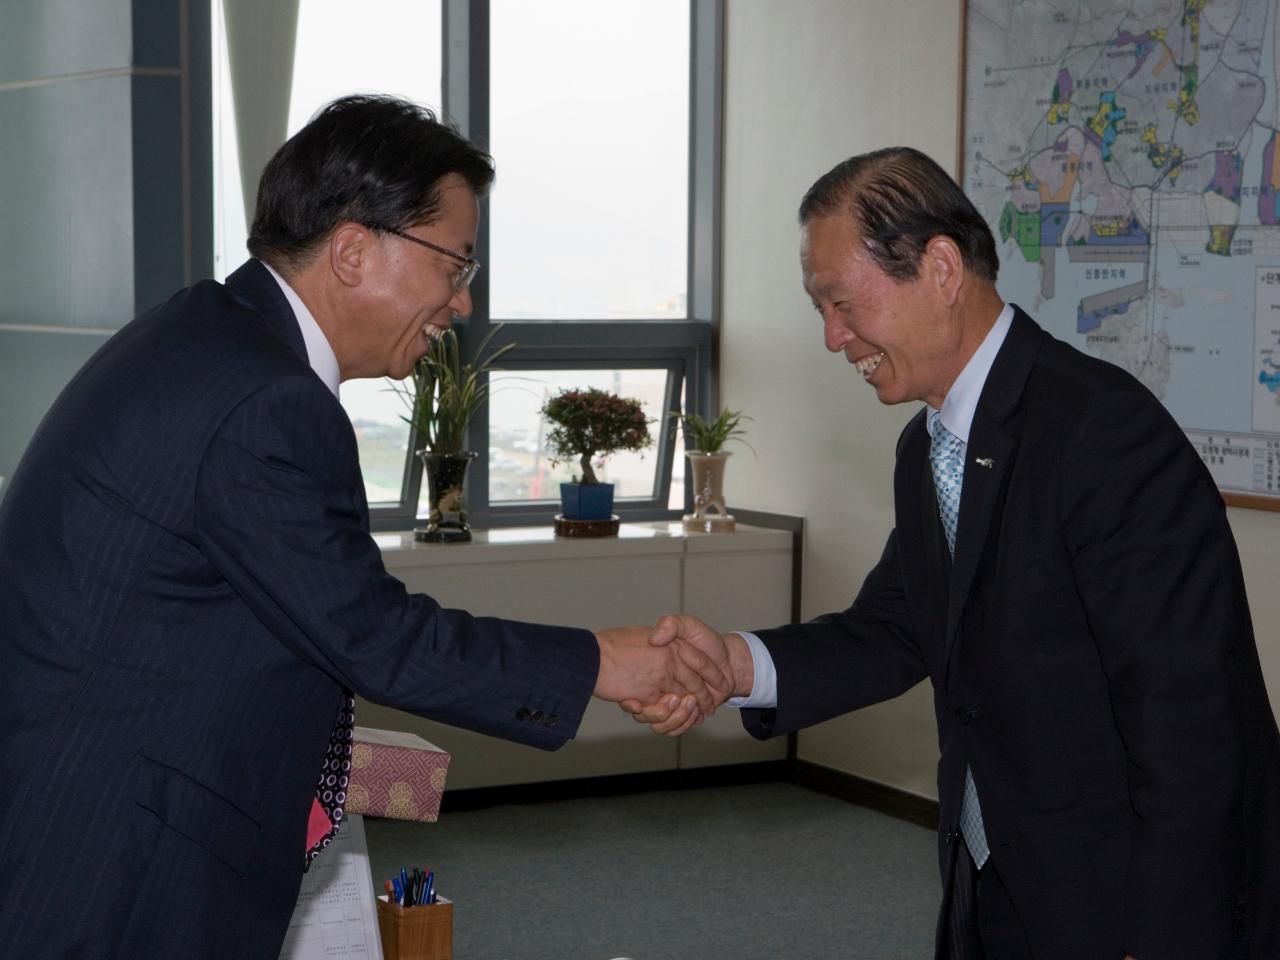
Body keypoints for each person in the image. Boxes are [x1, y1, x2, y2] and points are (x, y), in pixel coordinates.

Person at [0, 95, 723, 958]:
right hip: (118, 855)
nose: (460, 303)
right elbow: (372, 636)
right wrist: (606, 662)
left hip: (93, 807)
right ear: (351, 249)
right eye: (455, 266)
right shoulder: (266, 400)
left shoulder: (207, 338)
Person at [627, 147, 1280, 958]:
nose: (834, 337)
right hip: (992, 881)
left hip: (1120, 905)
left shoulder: (1103, 434)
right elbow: (898, 628)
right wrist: (734, 665)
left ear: (939, 267)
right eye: (819, 308)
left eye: (841, 301)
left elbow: (1192, 732)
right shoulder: (928, 446)